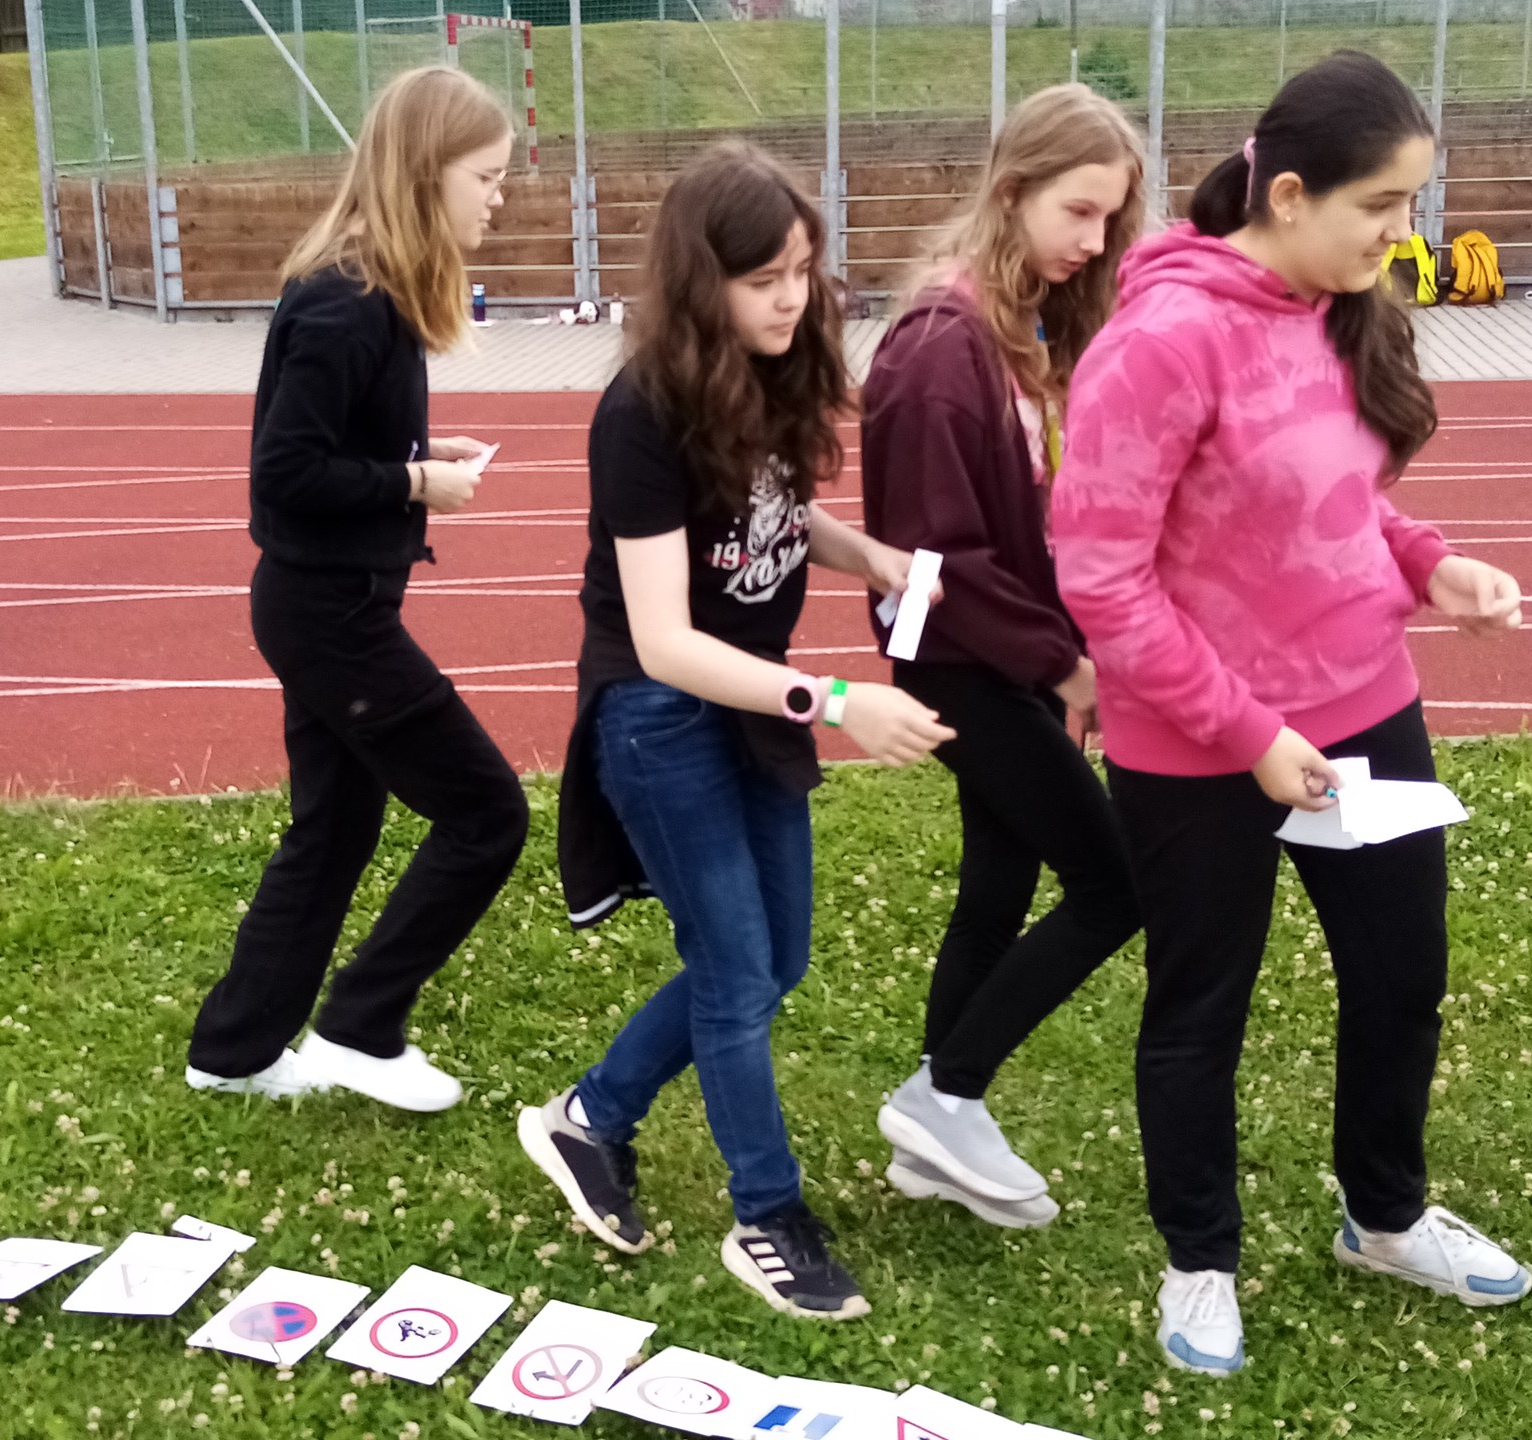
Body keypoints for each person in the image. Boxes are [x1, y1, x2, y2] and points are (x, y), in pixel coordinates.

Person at [1051, 51, 1532, 1376]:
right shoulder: (1160, 343)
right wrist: (1251, 736)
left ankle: (1384, 1217)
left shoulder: (1334, 307)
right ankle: (1200, 1259)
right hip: (1198, 744)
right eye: (1382, 206)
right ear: (1291, 194)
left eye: (1411, 204)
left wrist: (1432, 565)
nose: (1401, 234)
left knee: (1402, 976)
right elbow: (1101, 578)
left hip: (1366, 706)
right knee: (1201, 1005)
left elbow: (1342, 500)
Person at [518, 143, 954, 1321]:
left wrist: (871, 557)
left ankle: (591, 1119)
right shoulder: (638, 412)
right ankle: (767, 1215)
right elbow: (663, 642)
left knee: (776, 961)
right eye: (764, 279)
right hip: (660, 715)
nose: (791, 298)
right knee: (734, 970)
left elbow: (773, 510)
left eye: (804, 272)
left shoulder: (768, 369)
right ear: (699, 280)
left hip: (750, 700)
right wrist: (840, 703)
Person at [184, 67, 530, 1112]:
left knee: (333, 828)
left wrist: (416, 451)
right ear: (427, 172)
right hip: (327, 614)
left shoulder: (373, 287)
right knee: (487, 814)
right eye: (486, 176)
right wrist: (417, 483)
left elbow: (334, 442)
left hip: (330, 604)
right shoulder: (348, 300)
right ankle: (358, 1029)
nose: (498, 197)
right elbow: (285, 472)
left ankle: (233, 1050)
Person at [859, 85, 1145, 1230]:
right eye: (1078, 211)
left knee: (1000, 882)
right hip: (962, 660)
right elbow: (940, 558)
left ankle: (938, 1138)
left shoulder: (1015, 326)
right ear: (1013, 189)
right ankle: (947, 1094)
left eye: (1109, 219)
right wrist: (1064, 667)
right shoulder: (942, 348)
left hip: (1000, 656)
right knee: (1116, 884)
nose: (1093, 241)